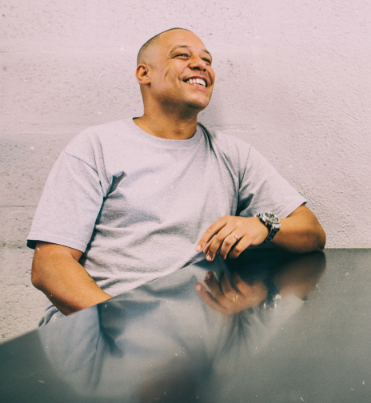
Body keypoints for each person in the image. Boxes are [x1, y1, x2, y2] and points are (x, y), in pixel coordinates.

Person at [28, 28, 325, 323]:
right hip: (106, 326)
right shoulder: (96, 146)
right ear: (144, 73)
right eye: (182, 55)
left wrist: (263, 225)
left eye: (207, 60)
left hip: (194, 336)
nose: (201, 65)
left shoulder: (233, 155)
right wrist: (119, 329)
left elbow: (312, 232)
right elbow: (49, 265)